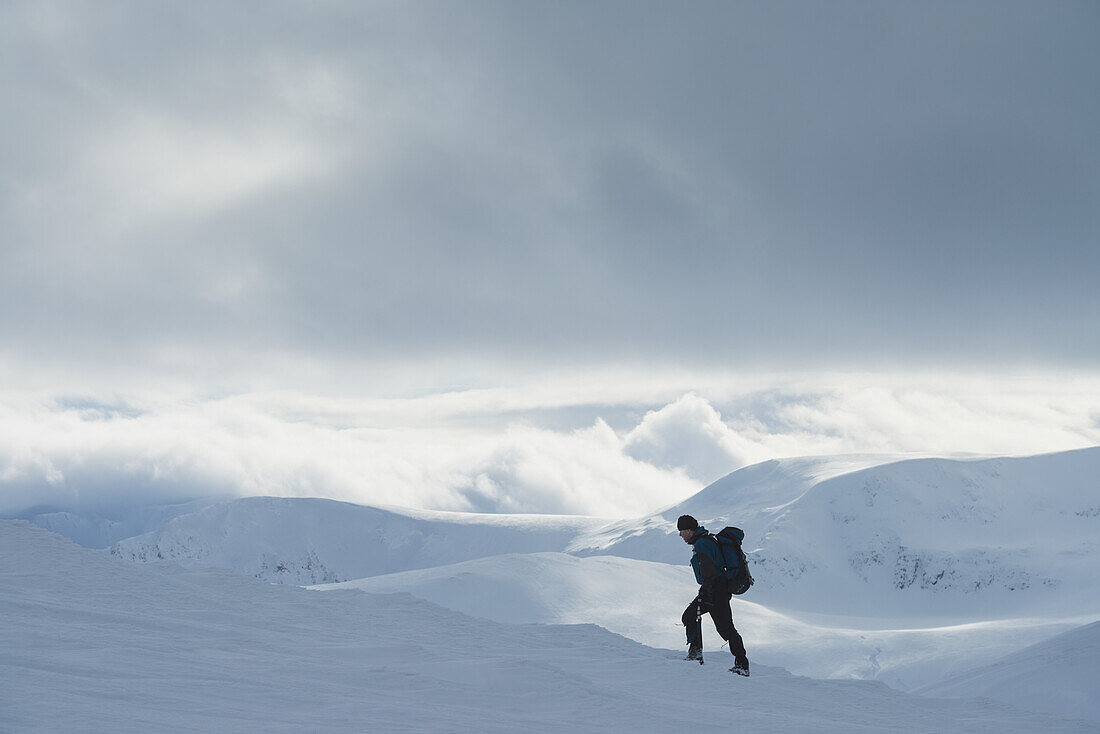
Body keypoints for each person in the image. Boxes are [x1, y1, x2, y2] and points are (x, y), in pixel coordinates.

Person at [677, 514, 749, 676]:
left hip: (714, 592)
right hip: (718, 590)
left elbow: (709, 572)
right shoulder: (706, 541)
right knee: (698, 619)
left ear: (689, 530)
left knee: (724, 628)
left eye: (681, 531)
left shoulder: (703, 544)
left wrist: (704, 592)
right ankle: (698, 654)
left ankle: (741, 665)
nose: (680, 534)